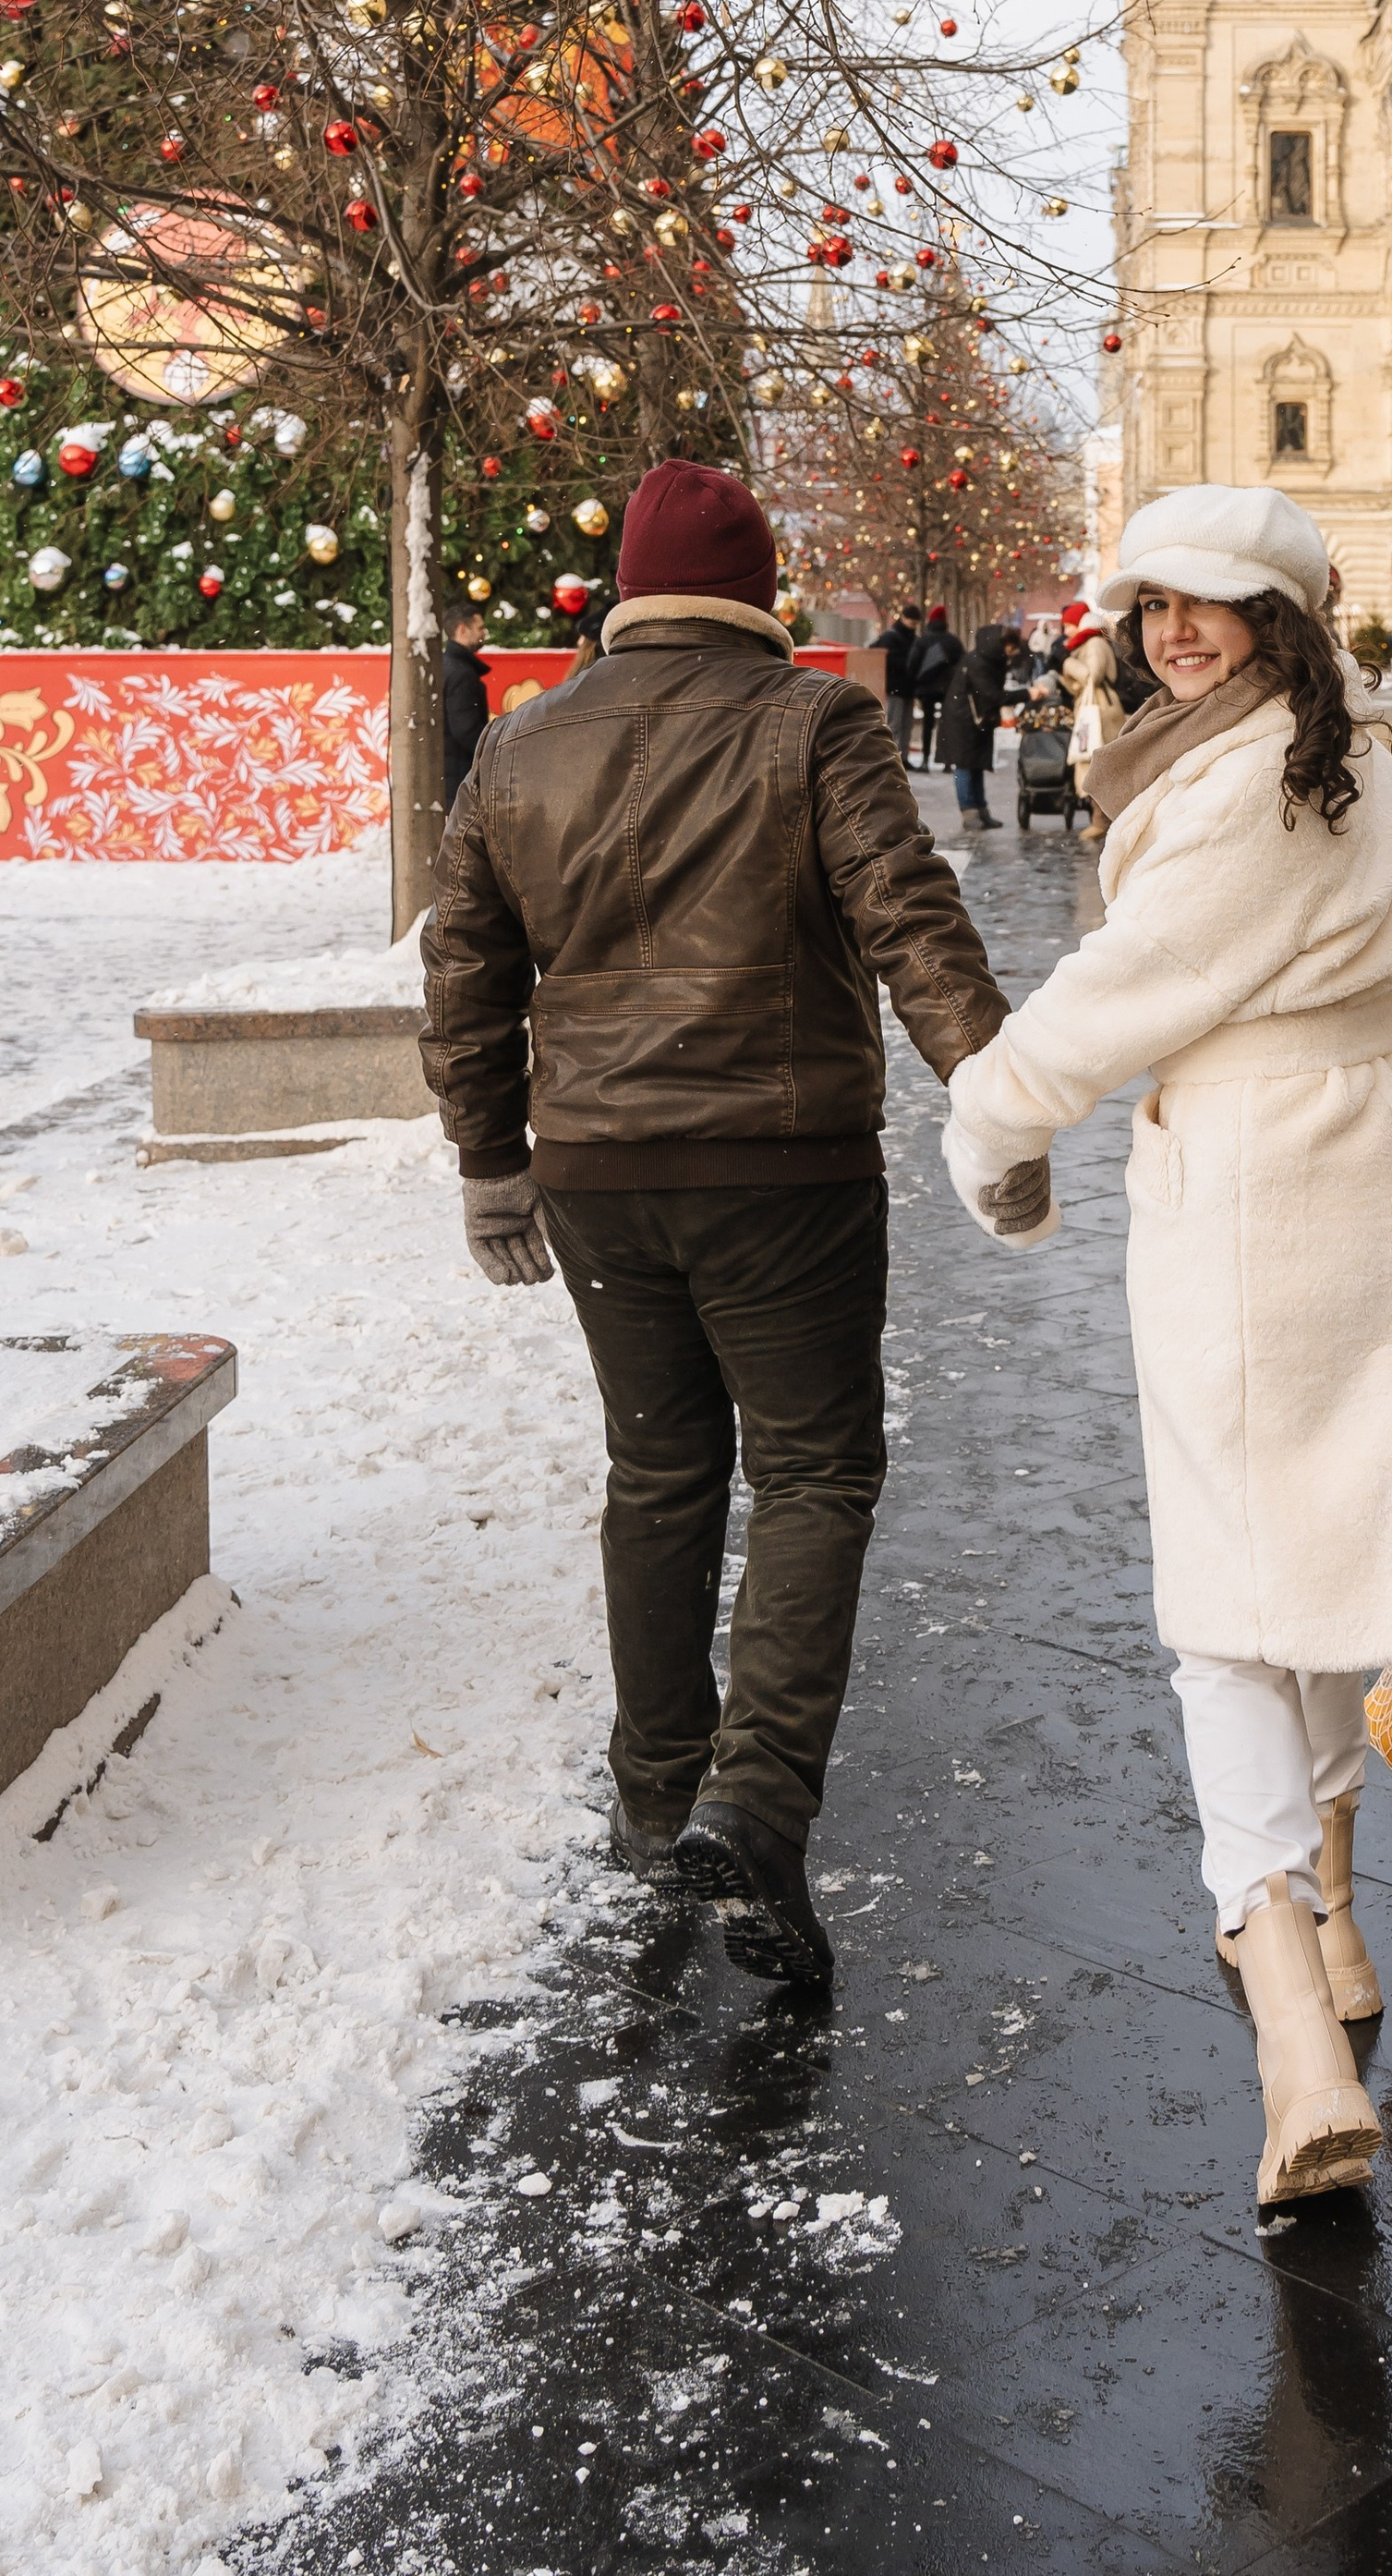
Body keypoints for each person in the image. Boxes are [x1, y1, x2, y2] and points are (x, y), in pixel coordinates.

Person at [937, 482, 1392, 2213]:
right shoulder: (1364, 767)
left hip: (1261, 1200)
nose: (1175, 633)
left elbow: (1115, 997)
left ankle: (1290, 2021)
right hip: (1386, 1178)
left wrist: (990, 1125)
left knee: (1222, 1607)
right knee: (1331, 1563)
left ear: (1279, 618)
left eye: (1213, 606)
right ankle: (1337, 1916)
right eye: (1154, 608)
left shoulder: (1239, 788)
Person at [420, 459, 1009, 1992]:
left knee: (659, 1467)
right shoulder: (813, 722)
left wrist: (491, 1157)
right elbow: (910, 918)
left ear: (625, 591)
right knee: (814, 1464)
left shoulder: (519, 745)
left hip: (597, 1169)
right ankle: (753, 1802)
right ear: (755, 596)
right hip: (783, 1164)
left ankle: (654, 1794)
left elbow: (466, 968)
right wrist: (996, 1097)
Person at [938, 620, 1014, 830]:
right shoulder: (979, 663)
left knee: (976, 765)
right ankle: (969, 812)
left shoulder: (989, 659)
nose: (1012, 652)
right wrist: (1026, 694)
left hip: (975, 720)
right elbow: (992, 694)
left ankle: (981, 810)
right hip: (962, 721)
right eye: (1009, 647)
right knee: (963, 766)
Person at [1060, 607, 1123, 828]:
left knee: (1095, 762)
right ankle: (1100, 819)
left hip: (1100, 711)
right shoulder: (1088, 644)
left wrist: (1067, 664)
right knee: (1093, 762)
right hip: (1095, 708)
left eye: (1069, 625)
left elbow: (1092, 676)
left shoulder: (1094, 643)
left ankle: (1101, 820)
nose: (1066, 631)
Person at [442, 602, 490, 811]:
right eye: (479, 628)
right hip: (460, 775)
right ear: (462, 629)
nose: (483, 634)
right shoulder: (462, 674)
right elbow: (467, 731)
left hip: (450, 774)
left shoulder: (447, 665)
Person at [910, 605, 962, 769]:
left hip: (927, 688)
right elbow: (962, 664)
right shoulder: (953, 641)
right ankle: (947, 761)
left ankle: (925, 760)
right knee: (947, 723)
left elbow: (913, 664)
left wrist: (917, 681)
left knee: (928, 722)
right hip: (948, 688)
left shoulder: (922, 640)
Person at [873, 603, 922, 767]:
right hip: (896, 687)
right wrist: (908, 664)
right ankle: (892, 758)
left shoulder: (907, 638)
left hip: (905, 686)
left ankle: (902, 757)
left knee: (905, 724)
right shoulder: (892, 637)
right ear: (904, 619)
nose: (913, 626)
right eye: (912, 622)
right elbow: (888, 659)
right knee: (896, 724)